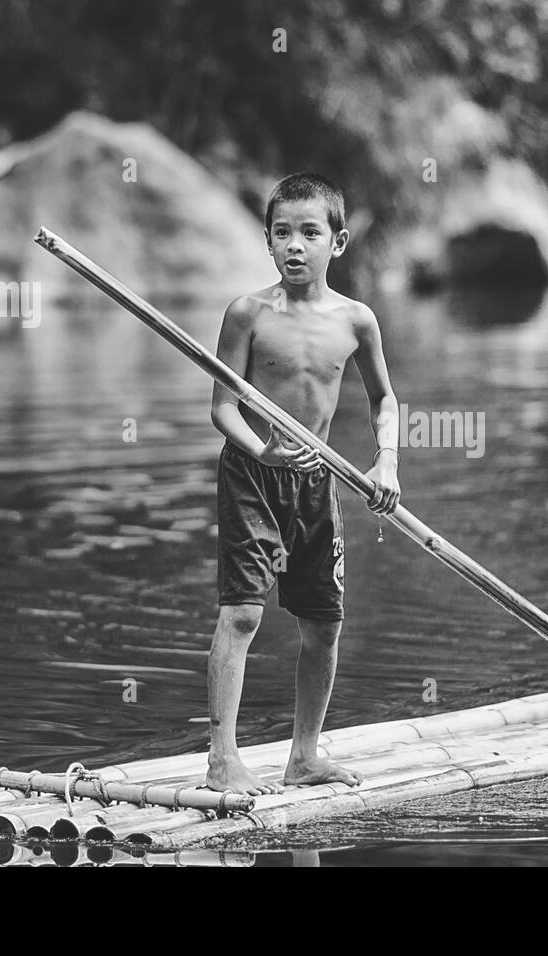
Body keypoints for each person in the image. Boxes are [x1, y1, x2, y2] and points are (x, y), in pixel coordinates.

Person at [206, 172, 402, 794]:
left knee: (324, 621)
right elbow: (222, 409)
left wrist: (386, 463)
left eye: (309, 233)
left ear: (337, 242)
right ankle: (222, 758)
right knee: (241, 614)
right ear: (267, 240)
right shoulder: (247, 314)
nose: (295, 245)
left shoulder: (357, 321)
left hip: (318, 484)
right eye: (282, 233)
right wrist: (264, 449)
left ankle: (305, 756)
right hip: (252, 477)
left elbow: (384, 400)